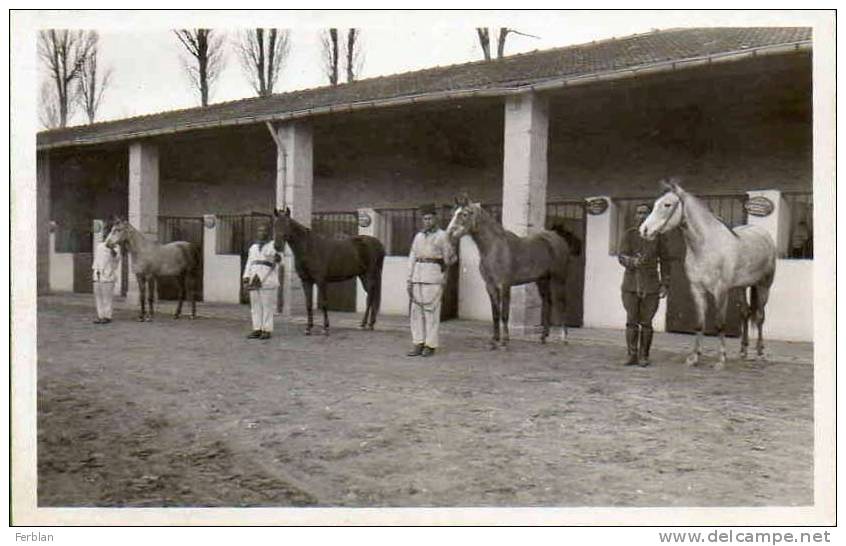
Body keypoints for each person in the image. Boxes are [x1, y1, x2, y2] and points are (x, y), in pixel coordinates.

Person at [618, 203, 671, 367]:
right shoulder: (629, 234)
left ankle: (644, 356)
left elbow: (666, 261)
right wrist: (633, 261)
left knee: (647, 322)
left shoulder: (659, 236)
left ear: (650, 216)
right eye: (639, 213)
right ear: (635, 216)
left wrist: (665, 284)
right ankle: (631, 354)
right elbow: (621, 256)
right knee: (631, 320)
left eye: (645, 213)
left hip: (651, 284)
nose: (641, 216)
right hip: (631, 284)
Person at [406, 203, 457, 357]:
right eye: (425, 219)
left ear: (435, 218)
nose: (427, 221)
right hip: (417, 278)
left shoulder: (442, 236)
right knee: (416, 313)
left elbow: (451, 258)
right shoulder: (418, 236)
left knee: (431, 312)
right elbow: (412, 257)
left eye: (430, 218)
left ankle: (430, 345)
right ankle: (418, 342)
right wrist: (409, 278)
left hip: (433, 278)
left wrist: (447, 261)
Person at [242, 223, 282, 340]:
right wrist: (246, 277)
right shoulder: (253, 248)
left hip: (267, 278)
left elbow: (279, 260)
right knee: (255, 306)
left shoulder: (274, 246)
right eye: (259, 231)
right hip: (254, 279)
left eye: (264, 231)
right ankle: (257, 328)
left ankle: (267, 329)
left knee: (267, 306)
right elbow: (249, 263)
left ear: (268, 233)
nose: (261, 233)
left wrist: (277, 258)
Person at [92, 238, 121, 324]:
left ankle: (107, 316)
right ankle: (100, 316)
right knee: (98, 297)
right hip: (97, 274)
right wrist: (95, 270)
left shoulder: (116, 247)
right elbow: (96, 259)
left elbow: (116, 259)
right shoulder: (99, 246)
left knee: (107, 298)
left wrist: (111, 248)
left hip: (108, 275)